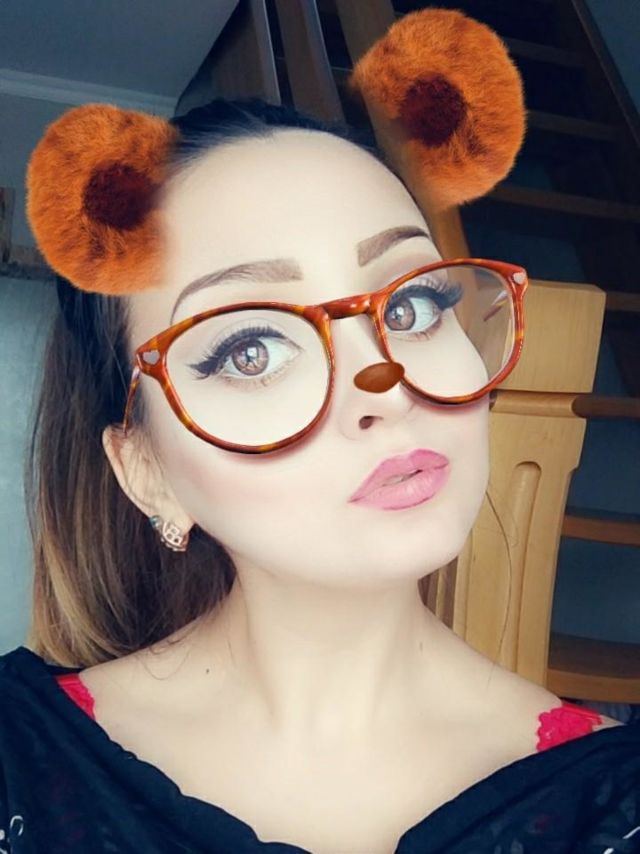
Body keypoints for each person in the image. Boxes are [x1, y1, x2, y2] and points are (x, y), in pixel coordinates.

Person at [1, 9, 639, 854]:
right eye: (252, 350)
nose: (386, 388)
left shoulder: (615, 802)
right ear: (145, 469)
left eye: (413, 306)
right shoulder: (19, 762)